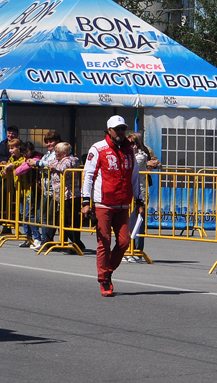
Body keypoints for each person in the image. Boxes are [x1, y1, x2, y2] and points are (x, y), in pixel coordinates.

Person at [81, 115, 143, 297]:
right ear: (109, 130)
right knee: (104, 242)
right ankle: (104, 280)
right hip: (103, 203)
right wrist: (86, 201)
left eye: (123, 128)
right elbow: (88, 175)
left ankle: (108, 270)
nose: (121, 132)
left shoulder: (130, 150)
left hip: (123, 203)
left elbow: (135, 176)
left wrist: (139, 199)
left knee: (124, 241)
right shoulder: (98, 148)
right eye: (117, 129)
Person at [124, 131, 160, 261]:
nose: (130, 145)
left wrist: (151, 164)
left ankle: (137, 251)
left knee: (138, 220)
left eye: (133, 143)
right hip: (127, 191)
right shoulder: (125, 154)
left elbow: (138, 165)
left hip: (140, 191)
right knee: (126, 221)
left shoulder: (142, 154)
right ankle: (127, 249)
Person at [45, 141, 82, 249]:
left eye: (58, 151)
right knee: (60, 220)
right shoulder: (58, 160)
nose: (56, 153)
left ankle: (76, 244)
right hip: (59, 195)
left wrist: (54, 166)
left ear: (64, 153)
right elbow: (48, 163)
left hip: (70, 195)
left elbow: (63, 167)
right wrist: (52, 165)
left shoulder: (70, 160)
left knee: (71, 220)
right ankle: (71, 243)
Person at [0, 125, 20, 234]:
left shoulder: (19, 144)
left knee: (10, 200)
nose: (10, 135)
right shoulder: (2, 143)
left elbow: (18, 158)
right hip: (2, 175)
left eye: (13, 133)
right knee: (2, 197)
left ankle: (6, 222)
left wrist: (9, 164)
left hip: (13, 176)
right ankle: (2, 222)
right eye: (9, 133)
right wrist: (1, 163)